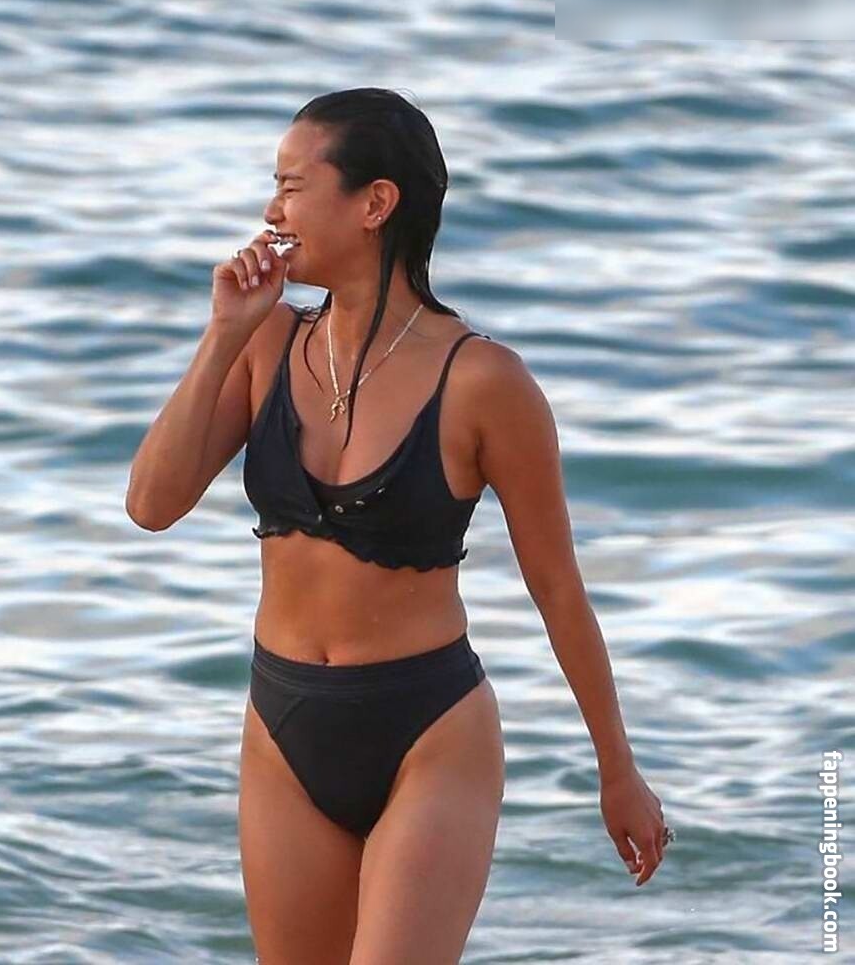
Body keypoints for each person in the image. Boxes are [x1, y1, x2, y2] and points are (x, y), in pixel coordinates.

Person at [126, 88, 669, 964]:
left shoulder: (484, 381)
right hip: (283, 727)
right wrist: (223, 335)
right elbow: (151, 504)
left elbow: (558, 586)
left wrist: (618, 768)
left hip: (430, 731)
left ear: (375, 203)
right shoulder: (267, 347)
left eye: (292, 186)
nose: (271, 211)